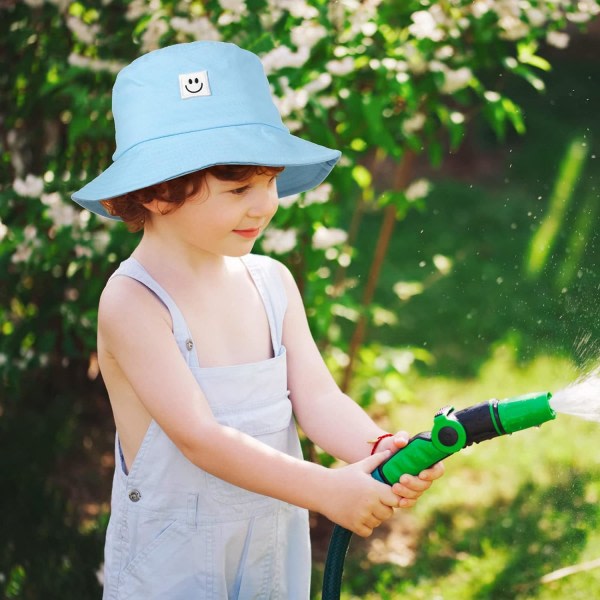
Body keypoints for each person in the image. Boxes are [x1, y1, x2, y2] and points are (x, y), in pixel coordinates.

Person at [72, 41, 443, 600]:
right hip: (174, 562)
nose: (265, 204)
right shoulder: (134, 302)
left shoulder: (269, 282)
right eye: (239, 189)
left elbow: (316, 399)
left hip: (269, 544)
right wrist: (325, 489)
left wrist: (378, 449)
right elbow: (200, 438)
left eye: (270, 181)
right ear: (157, 192)